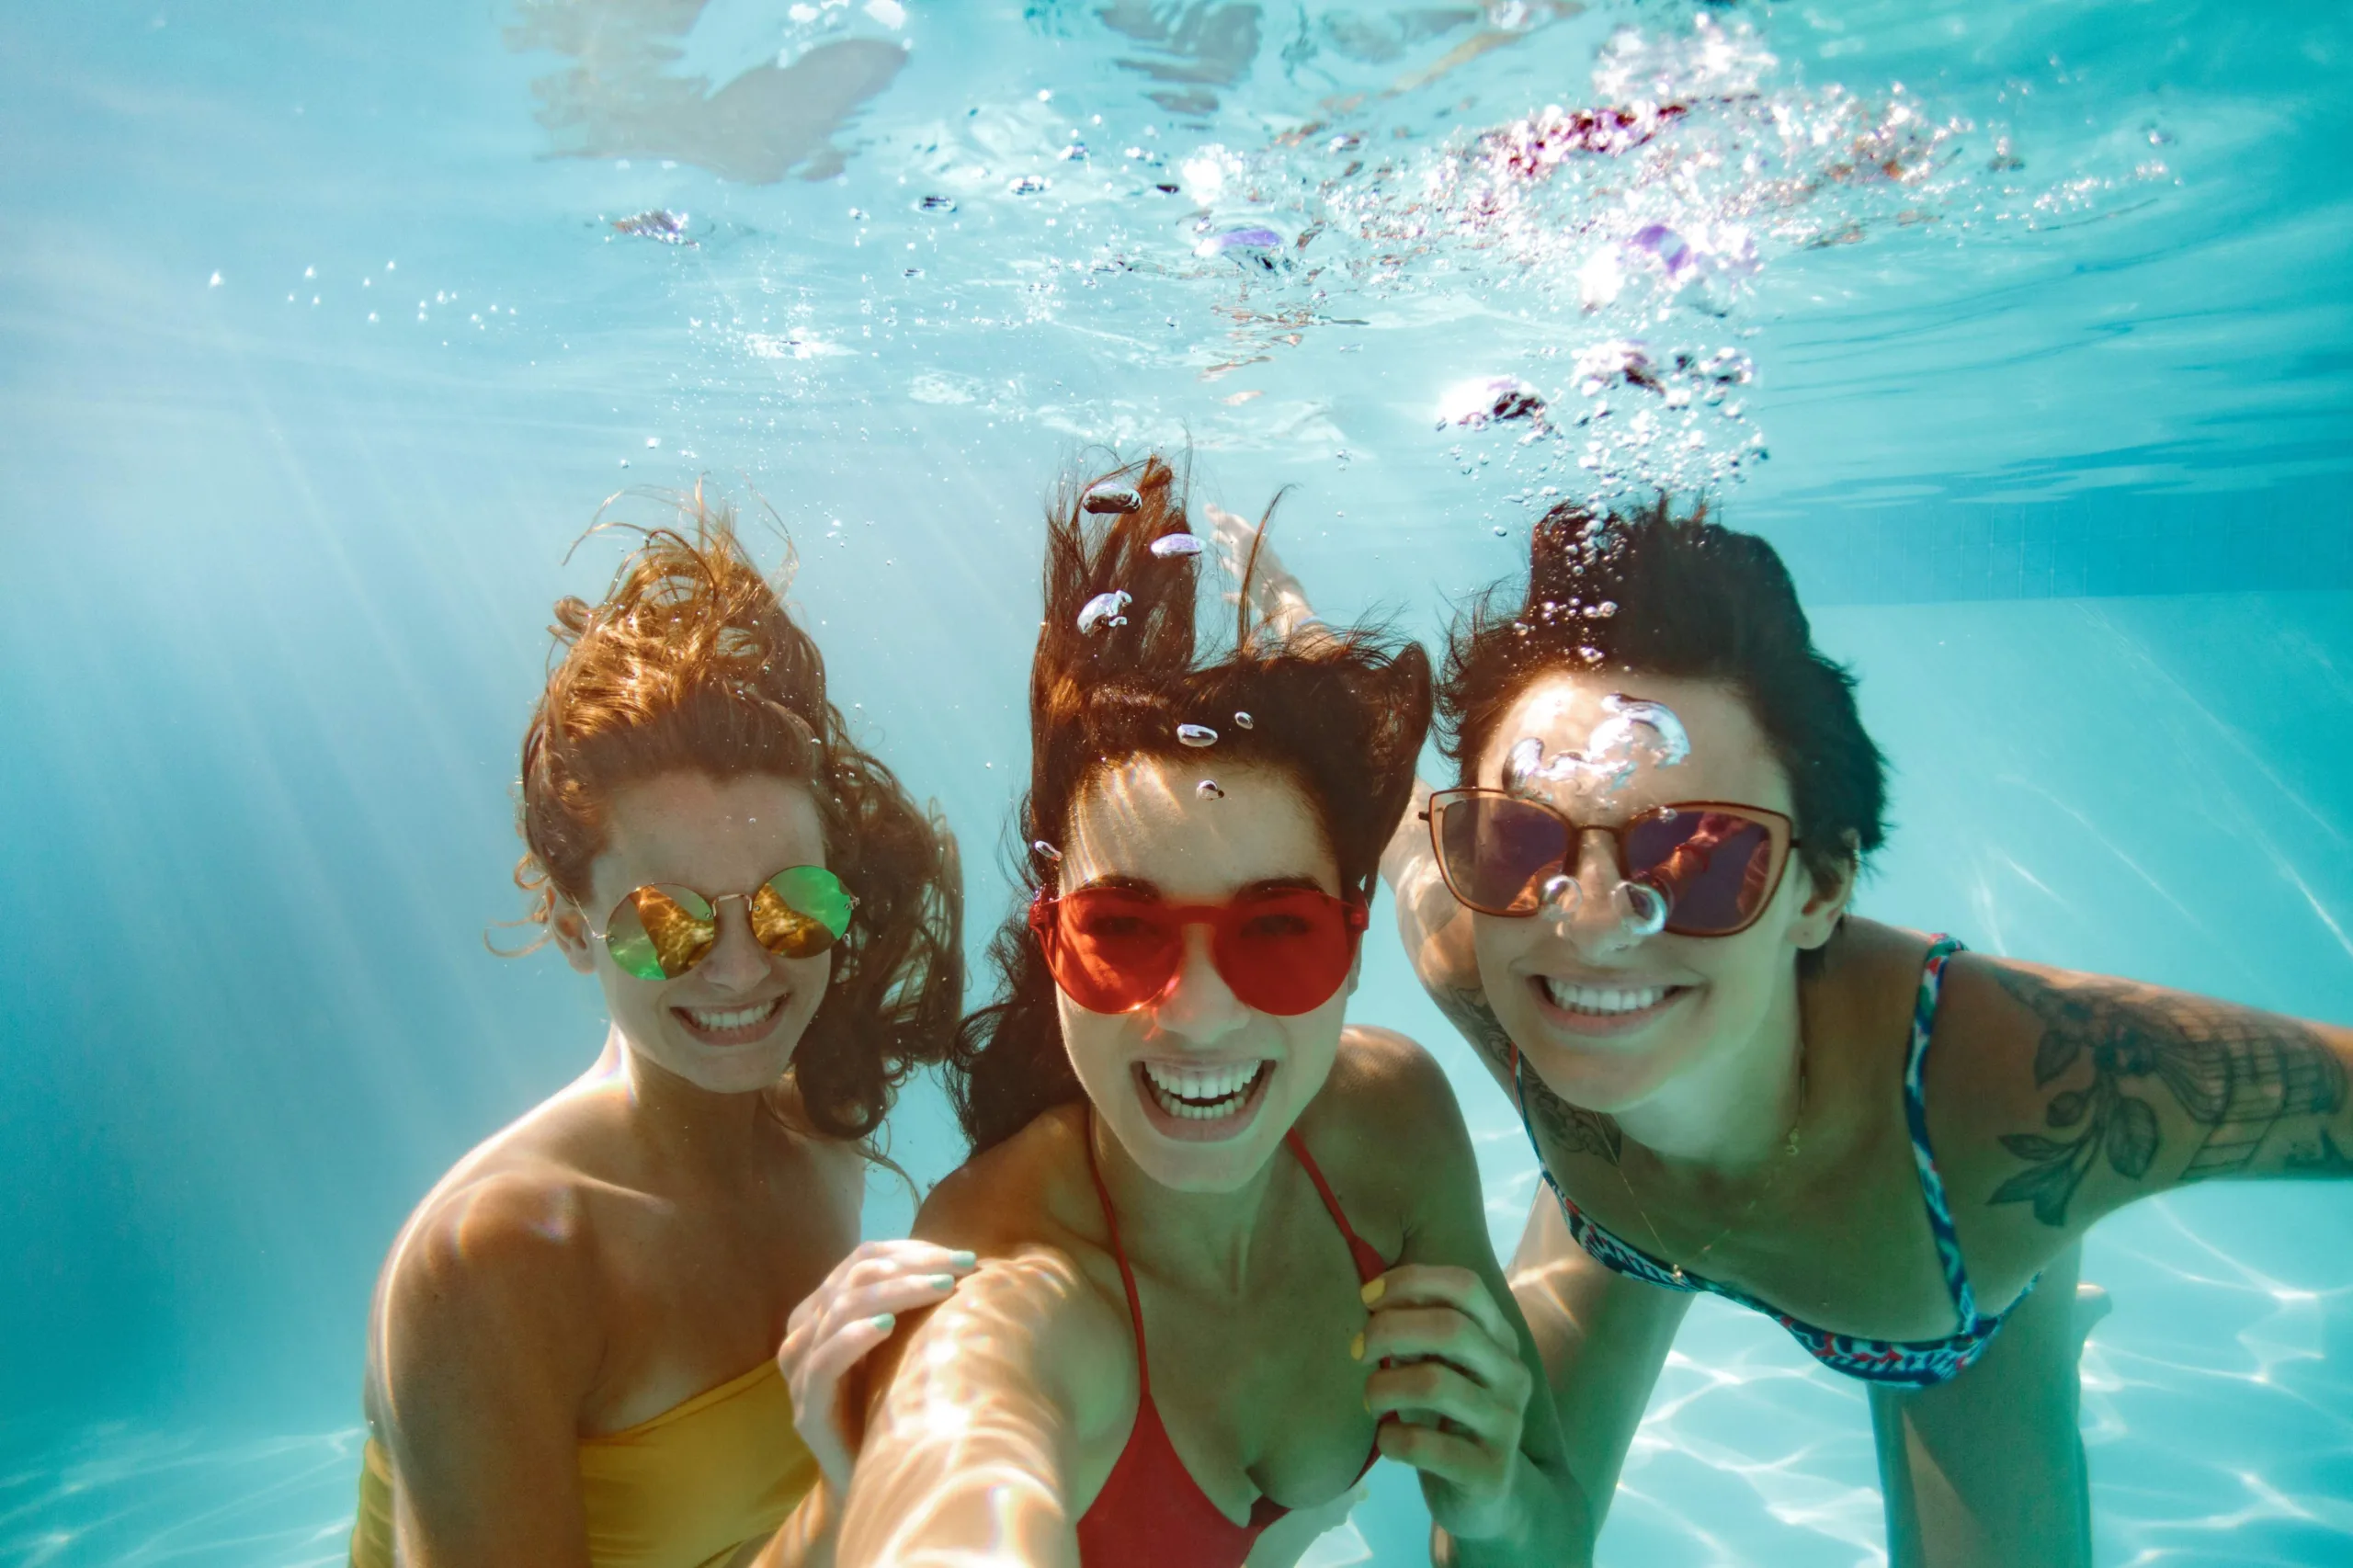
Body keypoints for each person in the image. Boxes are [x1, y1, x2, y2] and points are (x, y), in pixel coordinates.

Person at [1347, 498, 2353, 1568]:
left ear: (1820, 886)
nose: (1589, 921)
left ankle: (2047, 1314)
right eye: (1521, 840)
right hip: (1623, 1225)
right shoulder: (1478, 939)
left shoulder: (2025, 1093)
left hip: (1932, 1285)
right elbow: (1384, 790)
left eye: (1697, 855)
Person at [833, 457, 1594, 1568]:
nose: (1195, 1012)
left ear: (1350, 935)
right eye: (1123, 931)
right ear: (1052, 942)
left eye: (1276, 930)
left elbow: (1553, 1534)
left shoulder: (1392, 1126)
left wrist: (1496, 1507)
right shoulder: (1001, 1276)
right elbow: (960, 1478)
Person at [351, 504, 972, 1568]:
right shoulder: (496, 1260)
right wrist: (845, 1483)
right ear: (570, 926)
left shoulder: (817, 1125)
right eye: (664, 923)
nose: (738, 968)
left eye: (791, 905)